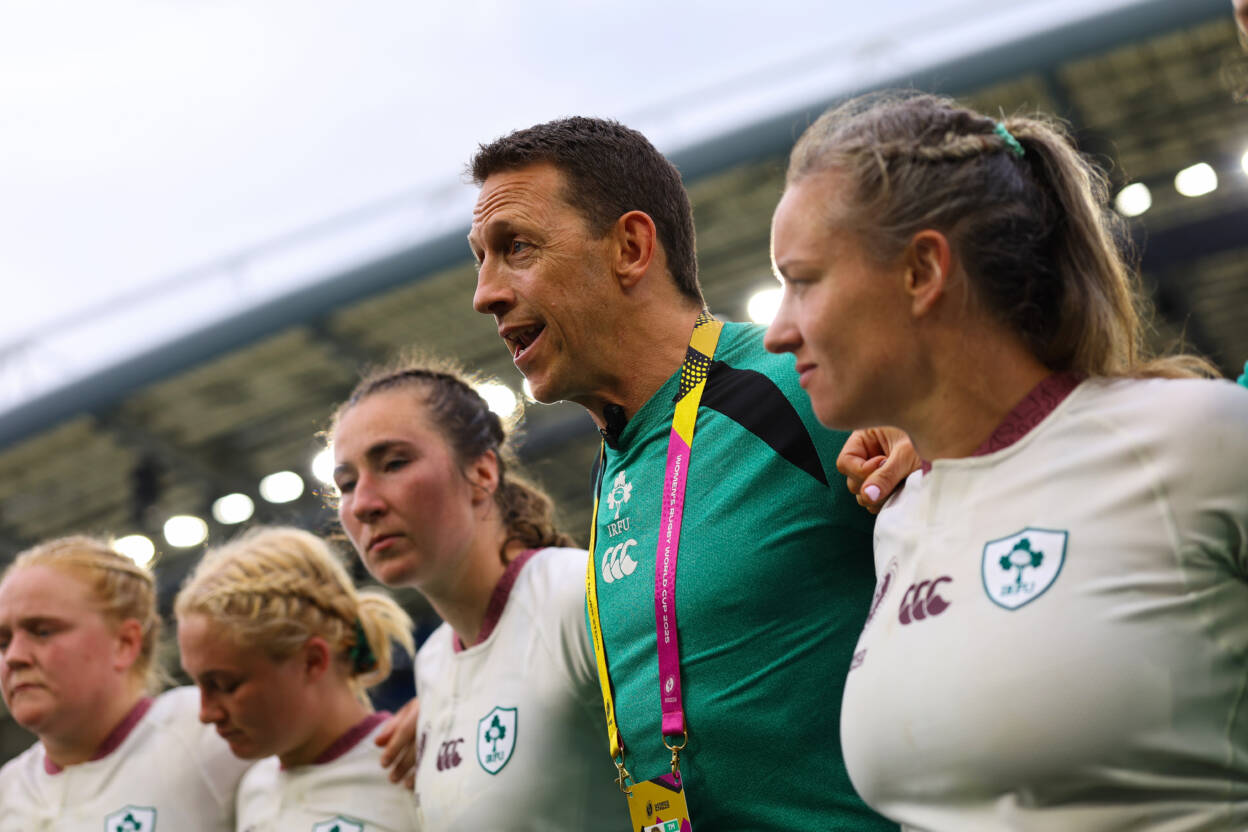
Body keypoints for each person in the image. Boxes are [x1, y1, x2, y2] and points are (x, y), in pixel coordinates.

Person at [764, 91, 1248, 830]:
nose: (777, 331)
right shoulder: (900, 518)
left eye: (803, 281)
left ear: (923, 270)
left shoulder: (1197, 440)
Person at [467, 117, 897, 830]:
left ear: (631, 248)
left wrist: (936, 443)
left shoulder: (799, 383)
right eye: (480, 258)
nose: (484, 293)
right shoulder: (621, 450)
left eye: (516, 248)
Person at [329, 360, 631, 831]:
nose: (364, 503)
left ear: (482, 473)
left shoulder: (579, 596)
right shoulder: (432, 664)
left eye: (394, 463)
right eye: (346, 484)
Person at [175, 525, 423, 831]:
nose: (206, 713)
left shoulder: (411, 770)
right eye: (197, 684)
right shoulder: (256, 788)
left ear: (312, 661)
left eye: (225, 685)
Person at [0, 536, 250, 832]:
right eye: (3, 642)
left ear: (125, 642)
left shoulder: (212, 734)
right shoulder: (8, 792)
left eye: (42, 632)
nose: (14, 657)